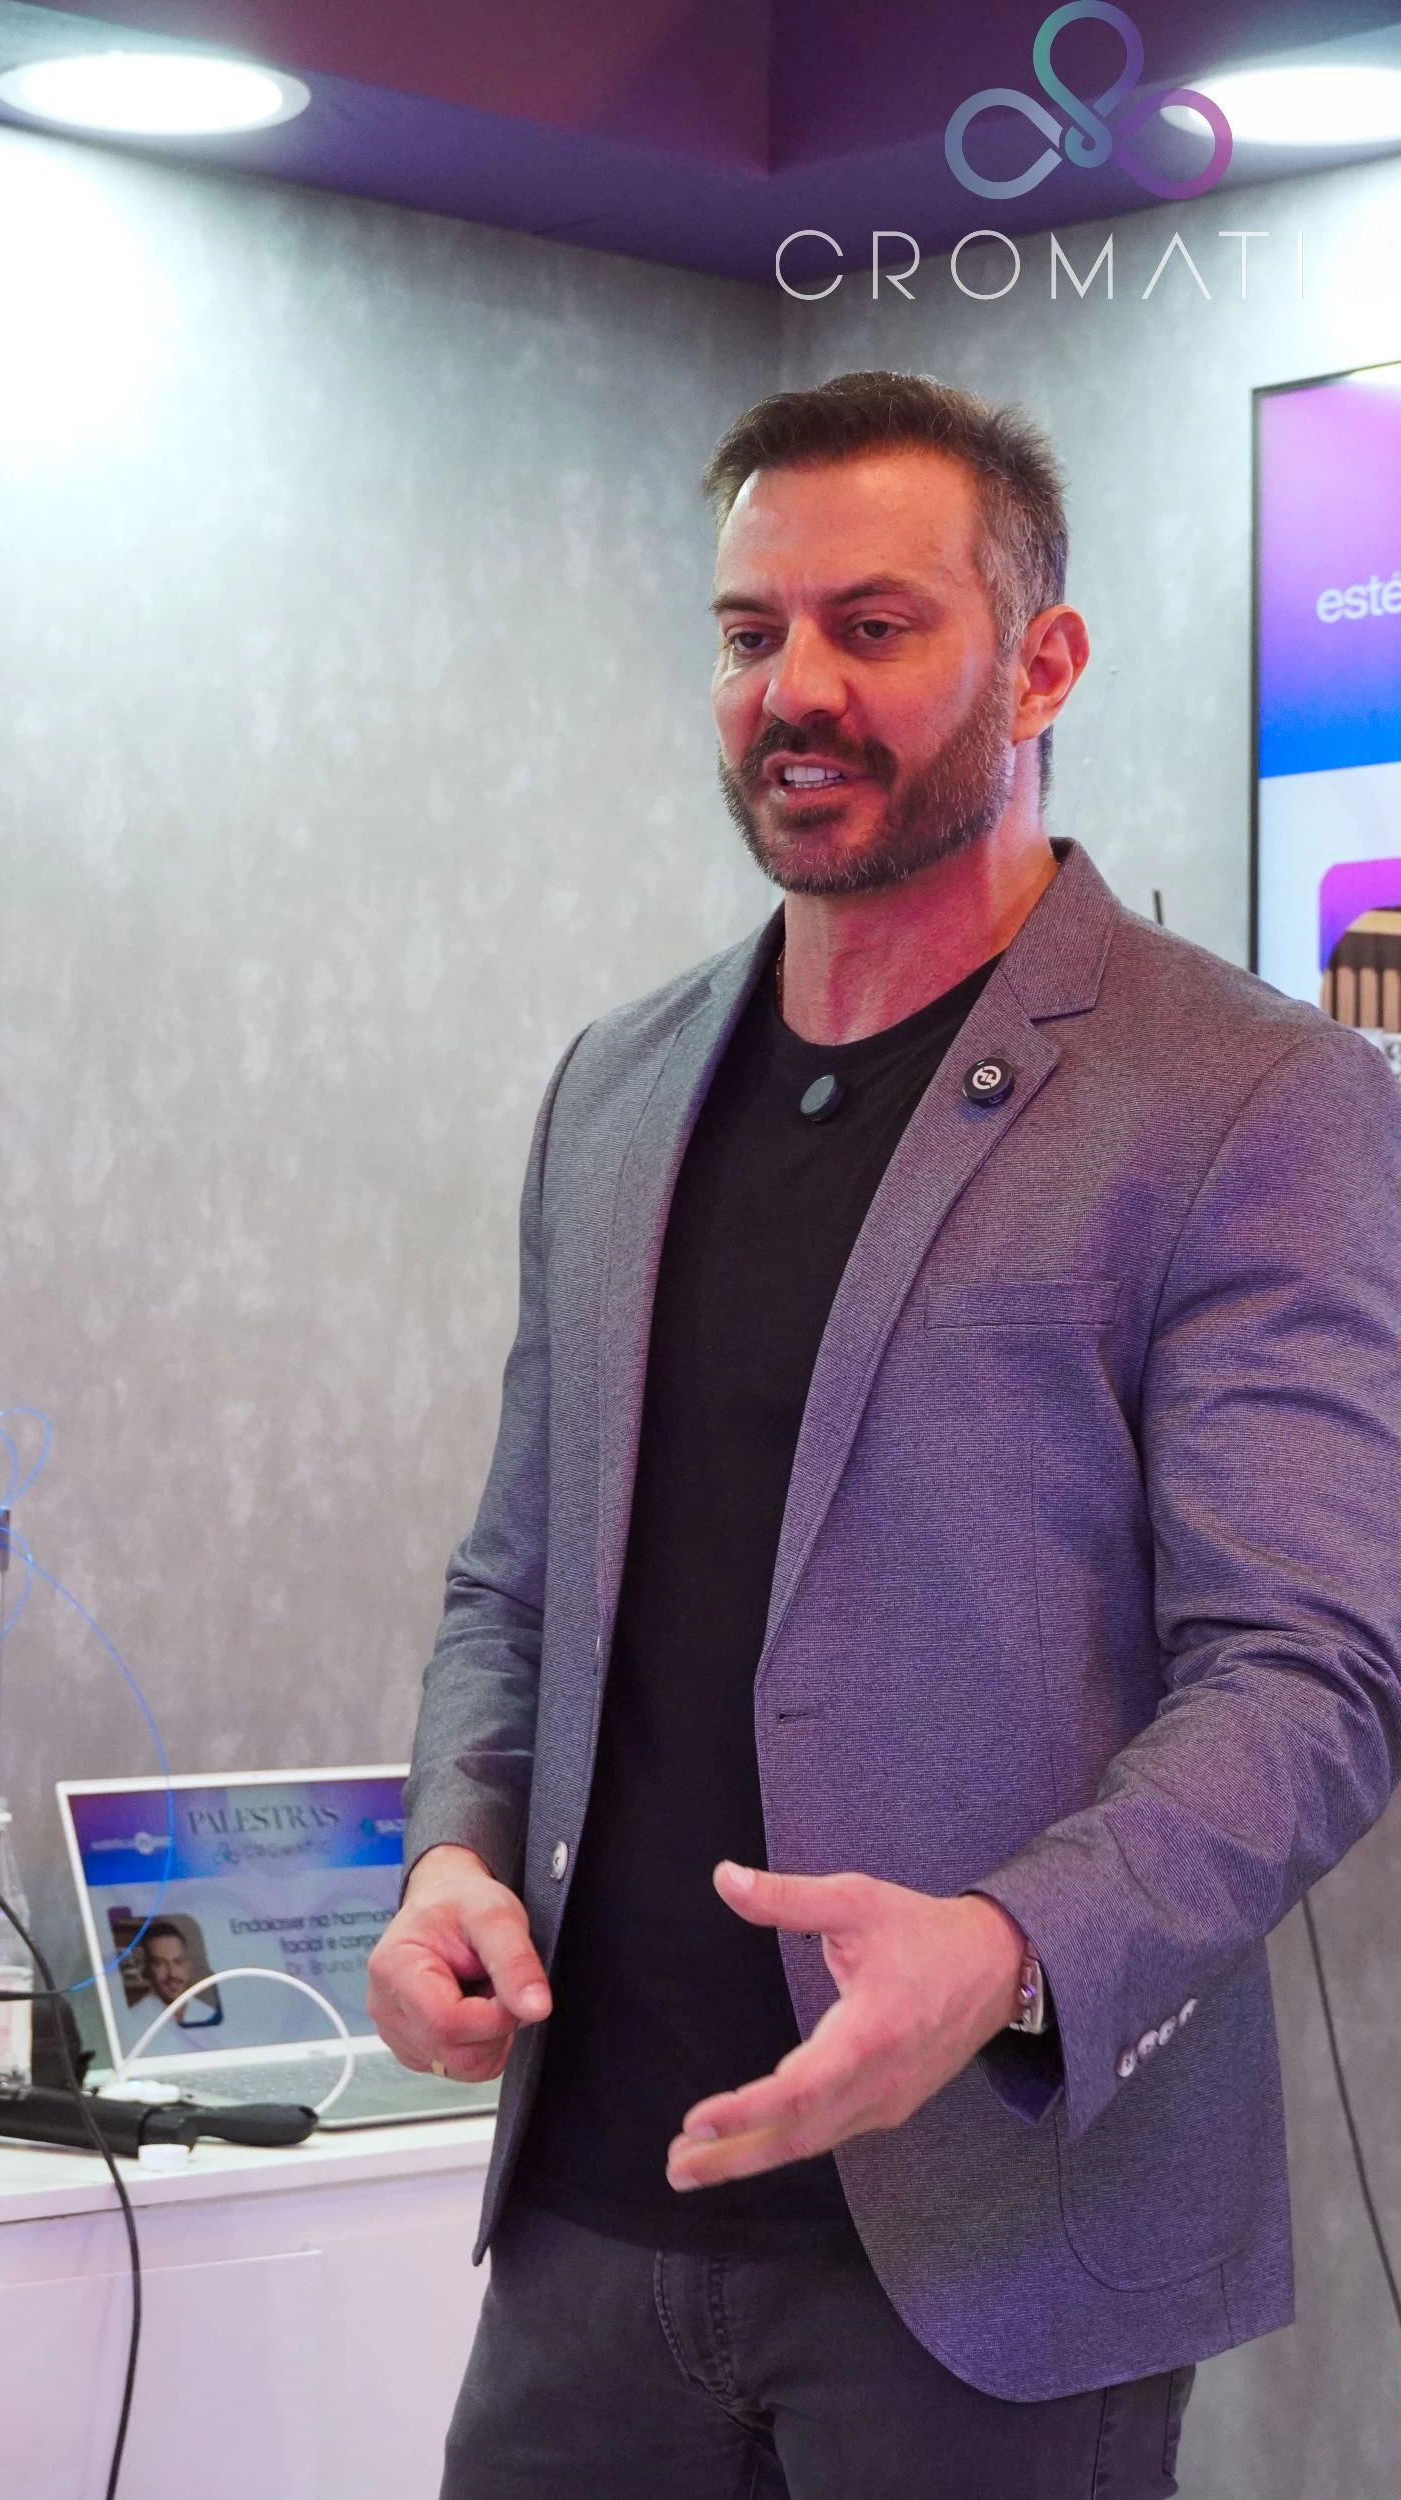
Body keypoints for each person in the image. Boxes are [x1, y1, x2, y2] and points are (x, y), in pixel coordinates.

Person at [366, 370, 1401, 2499]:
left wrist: (1012, 1956)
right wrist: (452, 1850)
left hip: (994, 2258)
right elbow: (514, 1583)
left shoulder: (1248, 1097)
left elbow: (1311, 1672)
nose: (795, 690)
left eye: (872, 625)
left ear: (1043, 661)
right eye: (750, 633)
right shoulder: (615, 1085)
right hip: (589, 2227)